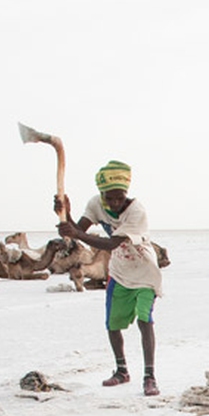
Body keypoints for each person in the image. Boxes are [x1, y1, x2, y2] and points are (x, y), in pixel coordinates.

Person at [60, 160, 162, 396]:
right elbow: (78, 230)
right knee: (112, 324)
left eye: (120, 198)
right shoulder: (96, 204)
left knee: (144, 320)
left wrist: (76, 233)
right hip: (119, 271)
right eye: (110, 198)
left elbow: (111, 243)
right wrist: (66, 212)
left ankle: (150, 376)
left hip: (145, 271)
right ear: (101, 193)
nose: (115, 203)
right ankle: (121, 370)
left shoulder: (137, 211)